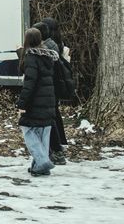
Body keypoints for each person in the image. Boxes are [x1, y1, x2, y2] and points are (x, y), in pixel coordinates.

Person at [16, 27, 58, 176]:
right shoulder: (48, 56)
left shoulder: (31, 58)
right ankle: (39, 166)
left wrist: (22, 104)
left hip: (35, 102)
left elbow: (29, 83)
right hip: (48, 100)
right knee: (43, 133)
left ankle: (42, 161)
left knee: (28, 130)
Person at [43, 17, 70, 165]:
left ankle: (56, 145)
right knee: (56, 113)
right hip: (58, 83)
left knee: (52, 115)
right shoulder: (59, 44)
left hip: (50, 84)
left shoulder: (49, 45)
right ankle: (61, 141)